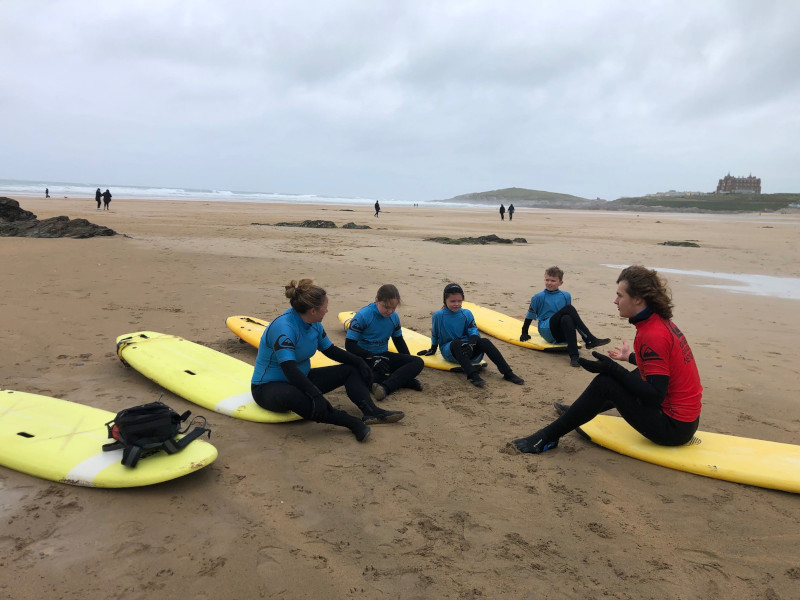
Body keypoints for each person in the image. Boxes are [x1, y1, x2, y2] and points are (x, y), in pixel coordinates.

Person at [512, 265, 702, 454]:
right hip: (687, 420)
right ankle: (580, 410)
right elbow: (664, 366)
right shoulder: (658, 323)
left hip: (673, 428)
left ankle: (547, 437)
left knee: (606, 383)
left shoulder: (653, 334)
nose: (615, 301)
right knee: (632, 375)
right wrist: (629, 358)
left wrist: (613, 369)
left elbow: (654, 396)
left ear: (637, 299)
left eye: (620, 296)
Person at [251, 279, 404, 443]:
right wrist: (315, 394)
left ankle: (371, 411)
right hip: (268, 388)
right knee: (293, 396)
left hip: (301, 379)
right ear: (313, 311)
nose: (327, 310)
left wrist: (360, 362)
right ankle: (351, 422)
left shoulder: (314, 323)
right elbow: (289, 369)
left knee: (350, 369)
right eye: (325, 306)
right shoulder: (284, 328)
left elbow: (330, 350)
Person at [418, 283, 524, 388]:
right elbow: (435, 333)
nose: (457, 304)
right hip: (450, 351)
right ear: (445, 300)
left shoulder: (466, 313)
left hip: (468, 349)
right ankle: (473, 376)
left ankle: (508, 373)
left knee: (485, 341)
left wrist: (471, 343)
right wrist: (433, 348)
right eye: (452, 301)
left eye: (460, 301)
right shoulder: (438, 315)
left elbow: (473, 331)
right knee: (456, 343)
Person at [345, 284, 425, 401]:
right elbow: (349, 345)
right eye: (386, 307)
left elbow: (398, 341)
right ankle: (403, 381)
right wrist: (372, 358)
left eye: (394, 308)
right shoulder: (363, 315)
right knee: (367, 377)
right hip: (364, 357)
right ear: (377, 300)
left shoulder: (394, 317)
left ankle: (385, 388)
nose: (390, 311)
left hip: (383, 356)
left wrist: (407, 363)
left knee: (417, 362)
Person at [521, 266, 610, 367]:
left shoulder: (566, 295)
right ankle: (590, 339)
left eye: (553, 281)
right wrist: (524, 332)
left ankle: (574, 357)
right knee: (569, 309)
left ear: (560, 283)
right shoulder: (538, 297)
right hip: (547, 330)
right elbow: (530, 315)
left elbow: (572, 319)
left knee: (567, 318)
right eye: (547, 280)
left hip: (561, 333)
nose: (549, 283)